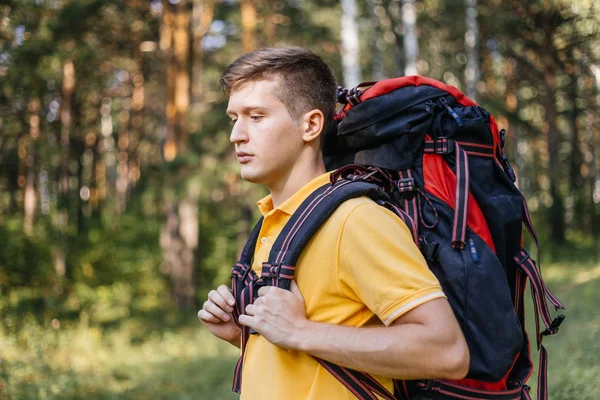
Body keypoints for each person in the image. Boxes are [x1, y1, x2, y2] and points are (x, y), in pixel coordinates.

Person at [198, 47, 469, 400]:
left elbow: (447, 351)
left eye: (256, 116)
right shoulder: (279, 221)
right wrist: (245, 334)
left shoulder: (354, 220)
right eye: (233, 118)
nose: (237, 135)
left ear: (310, 125)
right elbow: (310, 359)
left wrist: (300, 331)